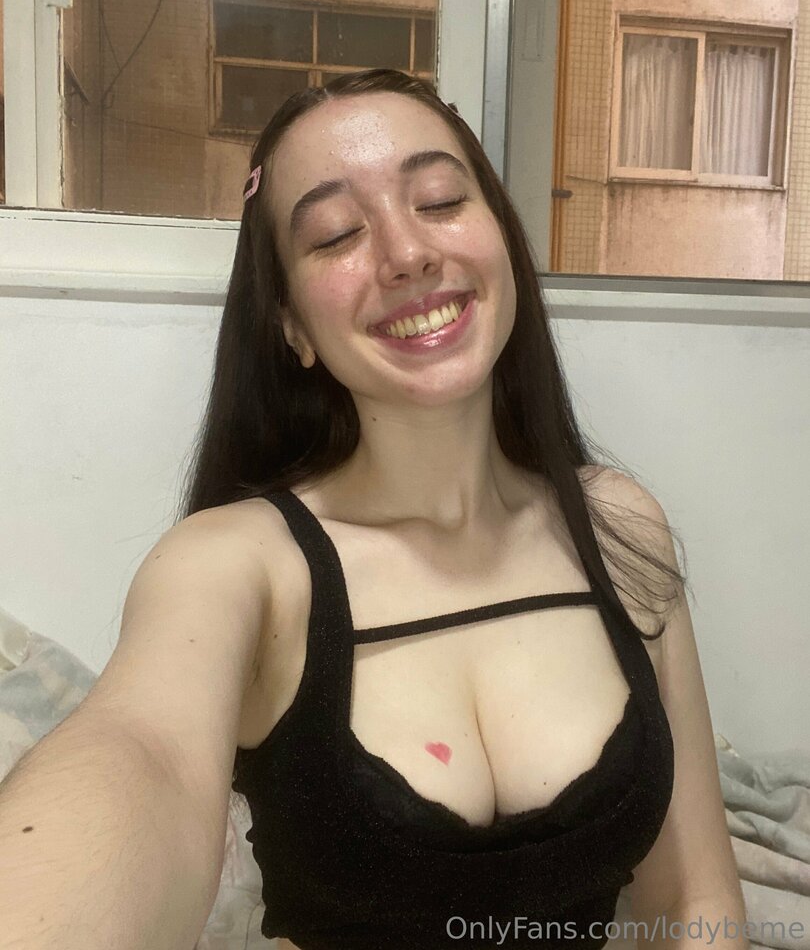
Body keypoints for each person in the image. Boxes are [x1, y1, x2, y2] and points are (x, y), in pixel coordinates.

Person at [0, 69, 747, 950]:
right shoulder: (232, 565)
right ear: (291, 326)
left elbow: (694, 895)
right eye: (336, 234)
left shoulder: (620, 526)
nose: (406, 252)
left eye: (439, 200)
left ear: (503, 240)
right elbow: (139, 755)